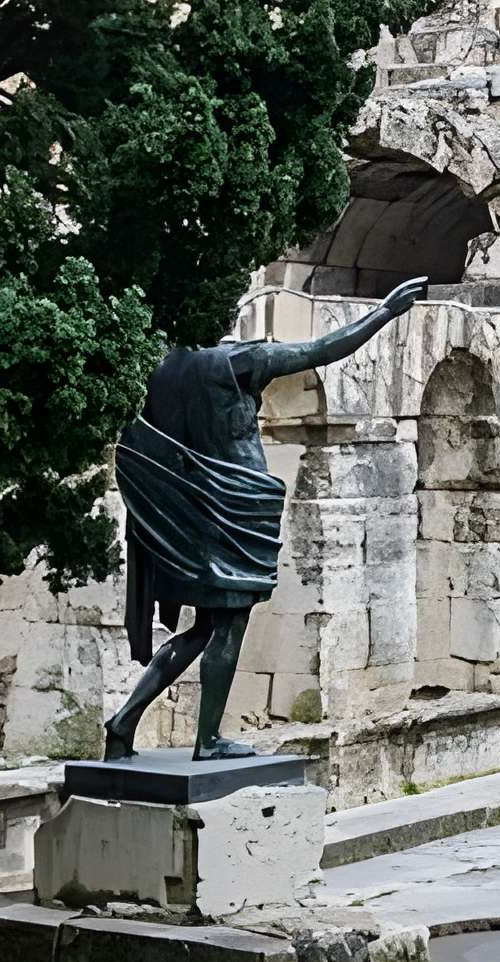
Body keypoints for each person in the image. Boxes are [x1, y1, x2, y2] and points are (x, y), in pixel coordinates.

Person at [105, 279, 428, 761]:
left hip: (195, 513)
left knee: (201, 628)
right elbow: (322, 349)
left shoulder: (160, 366)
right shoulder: (235, 362)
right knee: (228, 625)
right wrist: (385, 311)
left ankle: (123, 723)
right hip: (237, 510)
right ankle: (207, 742)